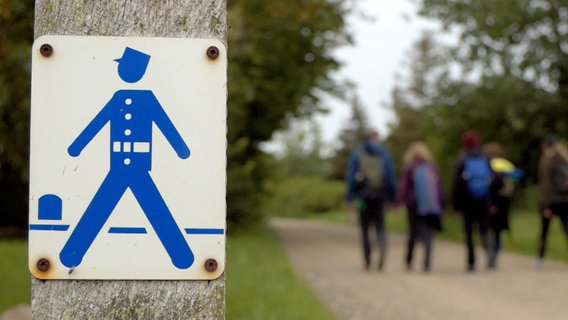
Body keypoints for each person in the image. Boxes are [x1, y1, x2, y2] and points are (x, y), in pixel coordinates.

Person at [345, 129, 396, 271]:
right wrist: (392, 199)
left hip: (363, 197)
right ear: (376, 138)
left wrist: (349, 197)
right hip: (379, 196)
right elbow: (390, 179)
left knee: (365, 228)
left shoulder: (357, 154)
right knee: (380, 225)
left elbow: (351, 178)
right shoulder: (384, 154)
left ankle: (367, 260)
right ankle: (381, 243)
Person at [397, 141, 443, 272]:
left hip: (414, 205)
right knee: (428, 234)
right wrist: (441, 204)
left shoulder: (409, 168)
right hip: (430, 205)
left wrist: (399, 203)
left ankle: (409, 260)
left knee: (413, 233)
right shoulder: (432, 167)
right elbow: (439, 189)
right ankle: (427, 262)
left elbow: (403, 188)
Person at [452, 131, 494, 272]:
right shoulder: (485, 158)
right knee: (483, 230)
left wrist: (457, 206)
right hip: (483, 201)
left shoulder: (462, 160)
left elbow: (456, 185)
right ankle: (490, 255)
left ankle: (471, 262)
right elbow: (492, 182)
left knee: (469, 232)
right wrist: (491, 202)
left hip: (467, 202)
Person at [482, 142, 523, 269]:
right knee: (497, 233)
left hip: (490, 204)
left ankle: (490, 254)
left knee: (485, 231)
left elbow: (489, 187)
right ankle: (495, 256)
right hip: (504, 205)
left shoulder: (488, 167)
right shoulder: (507, 167)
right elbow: (515, 183)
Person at [534, 134, 568, 268]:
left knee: (544, 231)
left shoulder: (547, 160)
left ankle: (540, 258)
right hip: (565, 200)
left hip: (551, 201)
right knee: (567, 229)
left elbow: (546, 185)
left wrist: (546, 206)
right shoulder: (565, 157)